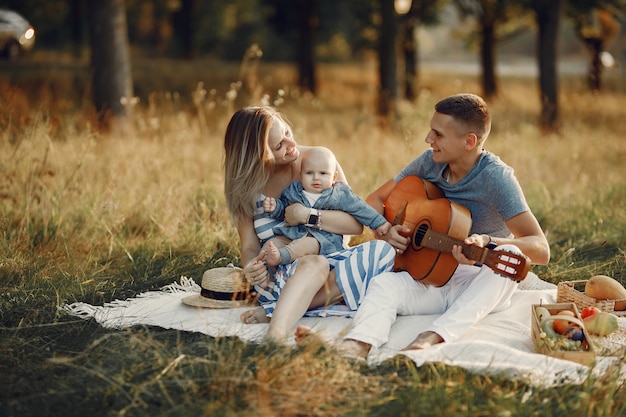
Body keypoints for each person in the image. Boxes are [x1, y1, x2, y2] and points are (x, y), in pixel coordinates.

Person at [297, 93, 550, 357]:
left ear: (469, 141)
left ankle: (432, 337)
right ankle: (355, 346)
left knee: (511, 256)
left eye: (437, 134)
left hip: (477, 282)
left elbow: (541, 249)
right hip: (430, 277)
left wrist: (488, 242)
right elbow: (376, 199)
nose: (428, 139)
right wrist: (385, 230)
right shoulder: (429, 162)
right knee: (384, 285)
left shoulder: (497, 178)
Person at [223, 106, 395, 342]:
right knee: (314, 263)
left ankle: (276, 311)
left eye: (286, 133)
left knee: (383, 252)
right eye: (278, 146)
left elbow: (355, 225)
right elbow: (249, 246)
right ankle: (275, 334)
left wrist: (307, 215)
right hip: (277, 275)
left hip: (330, 261)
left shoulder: (319, 160)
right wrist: (252, 266)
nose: (290, 144)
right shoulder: (246, 188)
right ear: (257, 156)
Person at [261, 145, 391, 268]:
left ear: (334, 177)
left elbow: (361, 208)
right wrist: (275, 207)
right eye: (309, 173)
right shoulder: (294, 191)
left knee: (305, 244)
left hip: (322, 241)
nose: (316, 178)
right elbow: (286, 211)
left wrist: (379, 223)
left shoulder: (339, 194)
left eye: (323, 173)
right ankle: (262, 272)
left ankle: (280, 257)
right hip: (292, 235)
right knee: (272, 244)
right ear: (301, 175)